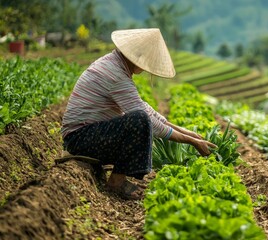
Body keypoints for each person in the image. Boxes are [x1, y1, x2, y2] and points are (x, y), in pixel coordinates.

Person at [61, 28, 217, 200]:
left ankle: (118, 177)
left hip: (85, 134)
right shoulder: (115, 74)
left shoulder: (114, 64)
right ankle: (116, 182)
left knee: (141, 116)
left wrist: (188, 132)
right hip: (80, 139)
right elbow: (145, 118)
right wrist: (191, 142)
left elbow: (144, 107)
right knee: (139, 120)